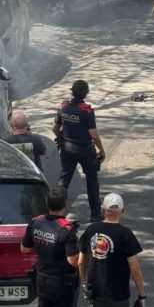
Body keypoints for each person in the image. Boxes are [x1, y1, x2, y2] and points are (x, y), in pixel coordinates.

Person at [21, 187, 80, 307]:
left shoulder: (36, 222)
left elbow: (24, 249)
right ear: (65, 205)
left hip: (42, 278)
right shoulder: (67, 229)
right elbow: (73, 261)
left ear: (47, 203)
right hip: (61, 282)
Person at [78, 192, 146, 307]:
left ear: (103, 211)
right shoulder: (126, 234)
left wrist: (84, 283)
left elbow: (80, 261)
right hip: (118, 296)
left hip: (95, 295)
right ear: (122, 211)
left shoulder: (91, 230)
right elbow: (135, 269)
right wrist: (142, 296)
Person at [53, 79, 106, 222]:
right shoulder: (87, 111)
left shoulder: (63, 107)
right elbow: (94, 135)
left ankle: (55, 213)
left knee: (64, 180)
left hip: (67, 149)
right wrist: (102, 150)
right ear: (86, 93)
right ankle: (95, 214)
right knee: (92, 180)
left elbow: (55, 128)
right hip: (84, 151)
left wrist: (62, 139)